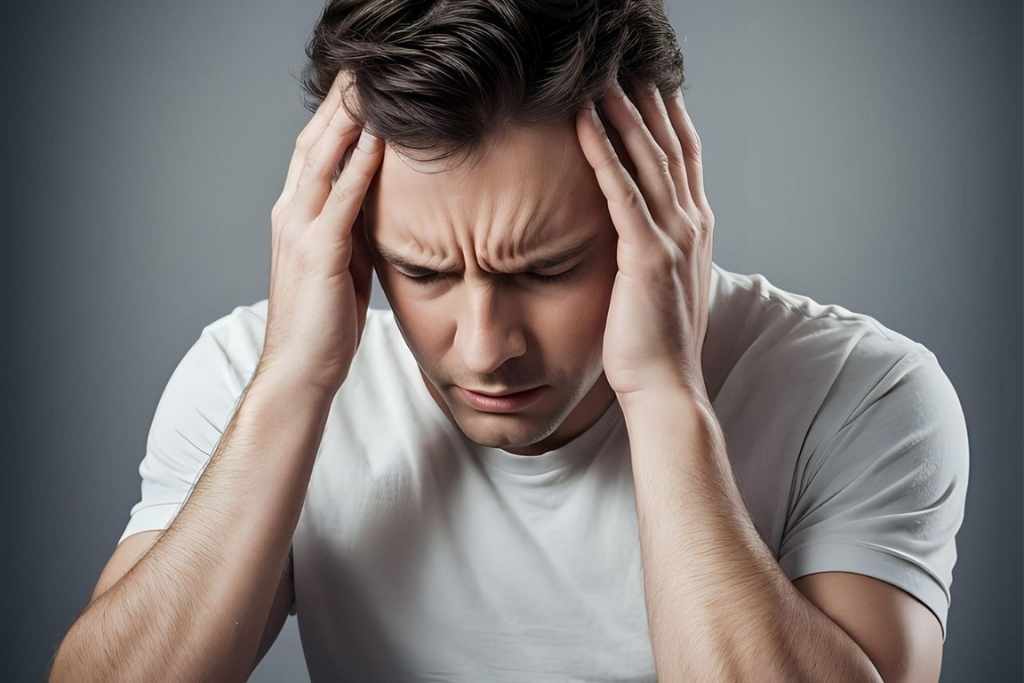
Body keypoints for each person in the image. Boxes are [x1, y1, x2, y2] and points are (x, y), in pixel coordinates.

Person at [49, 1, 969, 681]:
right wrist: (292, 381)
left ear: (663, 215)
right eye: (424, 272)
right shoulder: (253, 377)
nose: (485, 347)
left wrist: (665, 398)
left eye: (546, 270)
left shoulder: (859, 394)